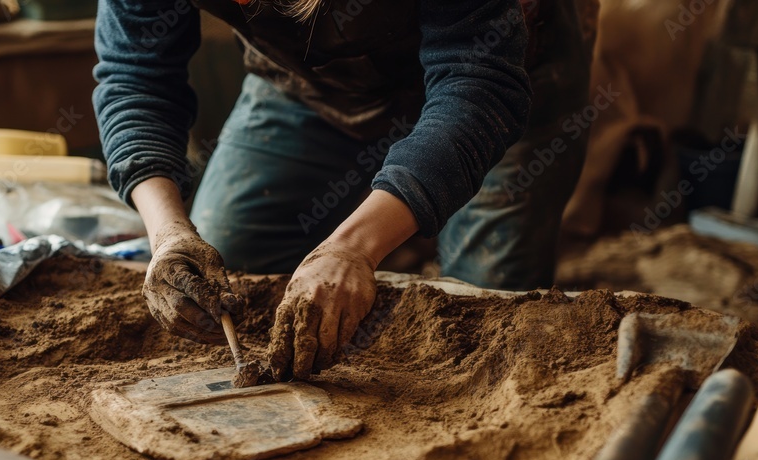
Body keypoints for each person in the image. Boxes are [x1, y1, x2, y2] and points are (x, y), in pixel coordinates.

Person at [93, 0, 590, 380]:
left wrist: (353, 248)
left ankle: (396, 231)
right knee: (229, 269)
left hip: (496, 71)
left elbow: (476, 87)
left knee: (488, 318)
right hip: (310, 84)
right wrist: (168, 236)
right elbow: (135, 78)